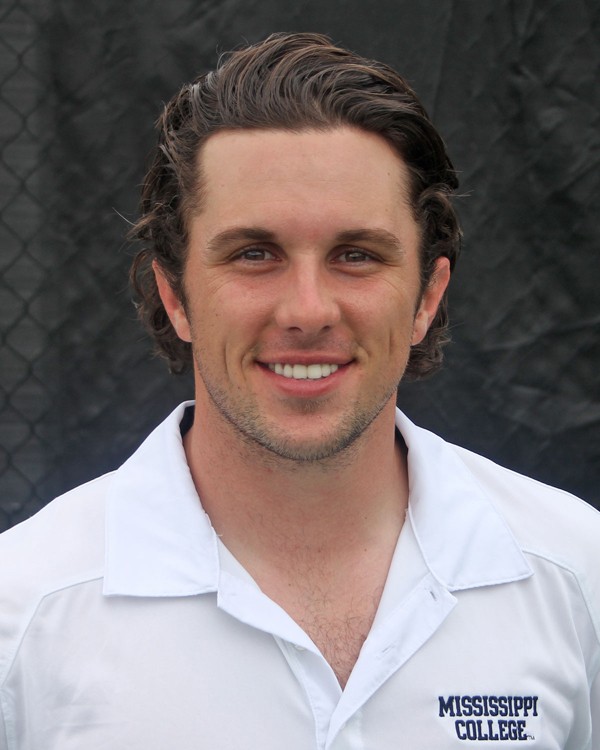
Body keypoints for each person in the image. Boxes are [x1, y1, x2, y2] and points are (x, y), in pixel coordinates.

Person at [0, 32, 598, 750]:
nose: (308, 311)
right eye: (255, 254)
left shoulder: (577, 574)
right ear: (175, 295)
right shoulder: (23, 613)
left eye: (356, 255)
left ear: (427, 297)